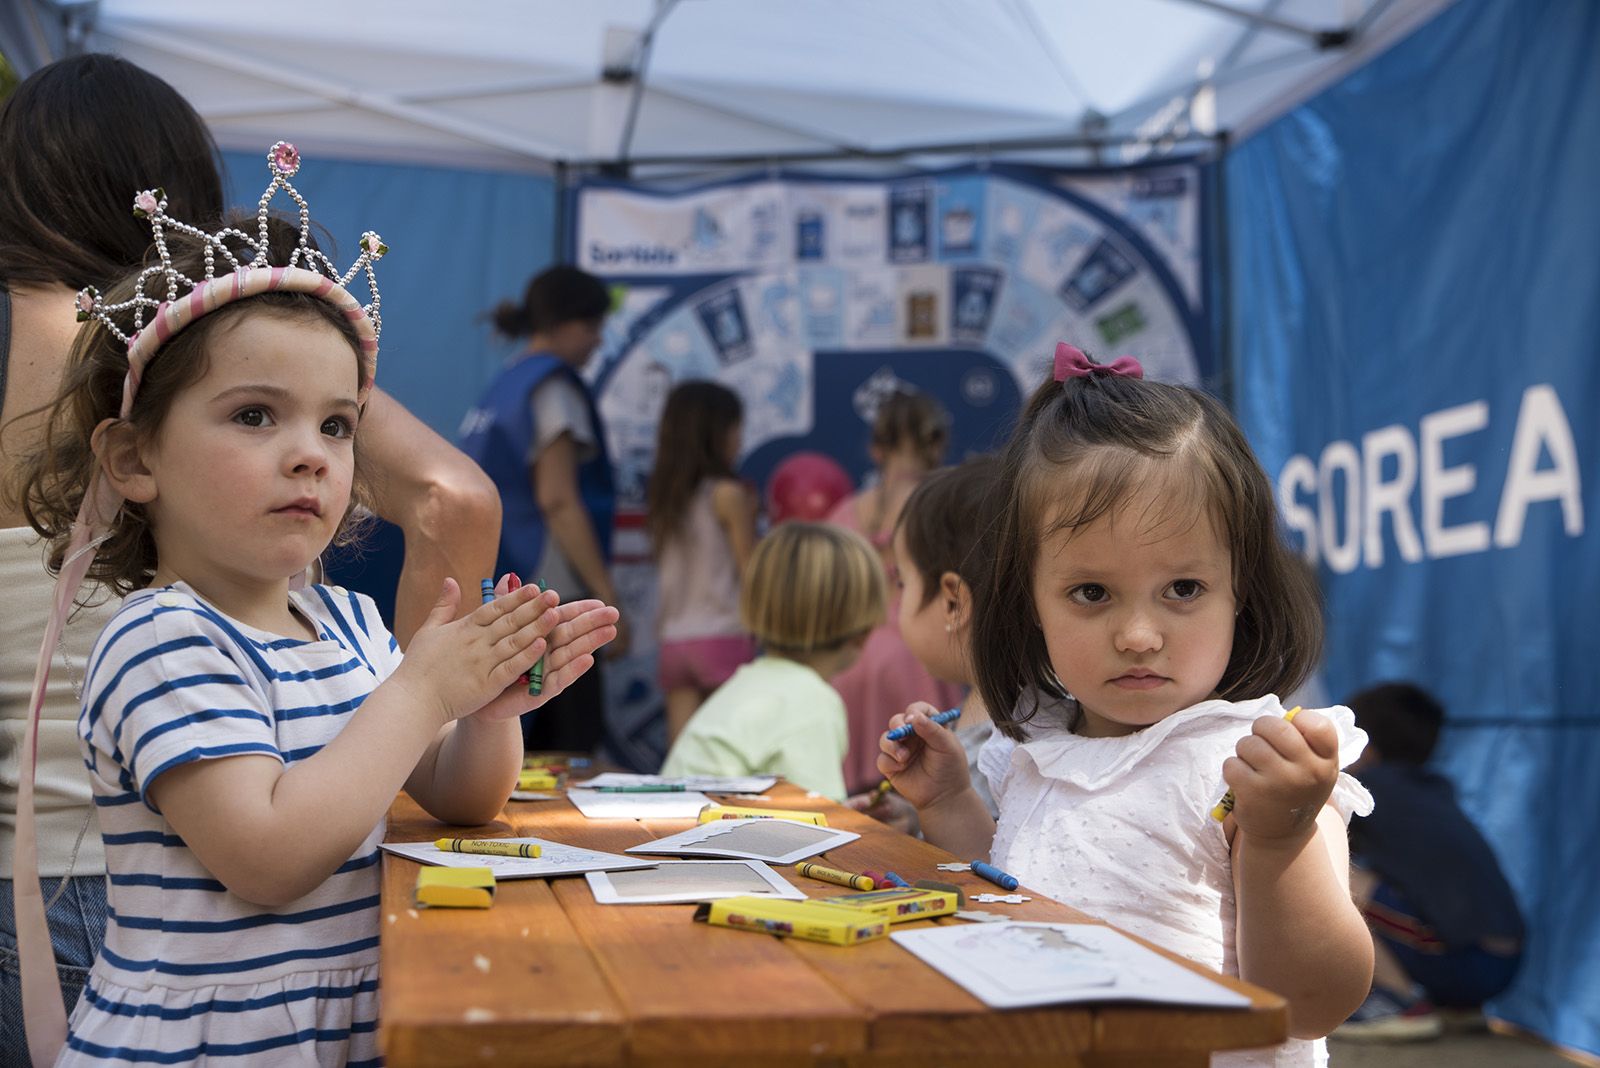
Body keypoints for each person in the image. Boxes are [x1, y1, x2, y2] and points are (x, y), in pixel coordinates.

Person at [10, 163, 618, 1064]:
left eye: (338, 425)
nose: (311, 456)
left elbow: (458, 795)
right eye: (256, 415)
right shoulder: (158, 640)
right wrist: (420, 693)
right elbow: (267, 855)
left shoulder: (348, 624)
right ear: (135, 460)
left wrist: (485, 711)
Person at [877, 343, 1376, 1067]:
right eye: (1091, 593)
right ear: (1029, 607)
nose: (1139, 636)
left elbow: (1313, 1002)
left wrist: (1281, 838)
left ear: (1243, 593)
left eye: (1182, 589)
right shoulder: (1034, 750)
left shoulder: (1258, 761)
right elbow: (1009, 905)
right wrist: (950, 802)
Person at [459, 265, 624, 755]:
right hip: (552, 591)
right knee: (567, 743)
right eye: (594, 327)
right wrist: (607, 594)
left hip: (504, 579)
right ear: (567, 323)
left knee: (515, 732)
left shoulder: (504, 385)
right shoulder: (554, 387)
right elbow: (558, 499)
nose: (598, 342)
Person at [1334, 682, 1525, 1043]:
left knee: (1321, 871)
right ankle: (1457, 1009)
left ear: (1364, 745)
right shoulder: (1431, 789)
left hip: (1465, 961)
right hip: (1503, 963)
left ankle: (1398, 1003)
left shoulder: (1369, 785)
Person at [661, 522, 884, 800]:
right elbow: (819, 822)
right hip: (697, 834)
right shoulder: (812, 701)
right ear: (863, 633)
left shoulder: (748, 682)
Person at [851, 456, 1003, 831]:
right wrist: (918, 817)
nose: (897, 601)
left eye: (902, 583)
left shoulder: (1004, 747)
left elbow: (988, 870)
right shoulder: (991, 713)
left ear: (953, 602)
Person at [826, 388, 962, 793]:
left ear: (876, 449)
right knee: (921, 777)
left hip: (845, 660)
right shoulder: (940, 508)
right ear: (935, 444)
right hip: (912, 659)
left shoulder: (847, 513)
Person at [645, 381, 758, 743]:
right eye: (736, 428)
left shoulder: (667, 498)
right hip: (723, 634)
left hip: (674, 642)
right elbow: (751, 572)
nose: (740, 439)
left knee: (681, 759)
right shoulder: (728, 495)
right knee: (729, 753)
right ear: (717, 433)